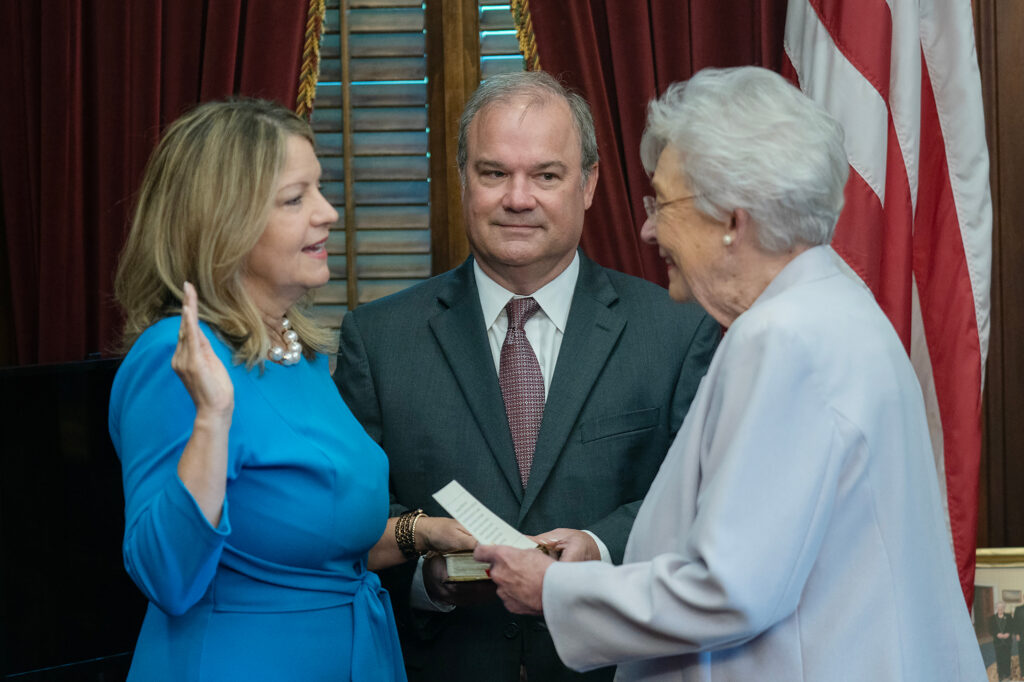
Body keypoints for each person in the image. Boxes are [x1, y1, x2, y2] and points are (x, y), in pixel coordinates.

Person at [475, 66, 986, 681]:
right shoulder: (836, 305)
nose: (647, 228)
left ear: (731, 222)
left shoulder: (783, 339)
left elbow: (730, 589)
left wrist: (554, 590)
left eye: (662, 203)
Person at [333, 71, 719, 681]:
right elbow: (345, 516)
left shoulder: (675, 331)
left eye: (546, 175)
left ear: (588, 184)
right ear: (463, 178)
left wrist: (596, 546)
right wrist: (426, 574)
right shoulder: (378, 340)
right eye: (493, 173)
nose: (518, 198)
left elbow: (703, 493)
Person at [108, 98, 475, 682]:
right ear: (224, 223)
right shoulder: (176, 359)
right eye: (295, 198)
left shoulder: (299, 356)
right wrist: (211, 421)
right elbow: (166, 578)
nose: (328, 212)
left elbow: (310, 540)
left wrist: (417, 532)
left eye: (320, 190)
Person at [993, 602, 1015, 680]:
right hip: (998, 642)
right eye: (998, 608)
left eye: (1002, 607)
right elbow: (991, 629)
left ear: (1004, 608)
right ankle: (1001, 675)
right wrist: (996, 634)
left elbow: (1012, 626)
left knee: (1007, 658)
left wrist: (1009, 633)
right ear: (996, 608)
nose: (1000, 609)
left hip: (1007, 642)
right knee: (999, 658)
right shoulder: (992, 618)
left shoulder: (1009, 616)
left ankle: (1007, 674)